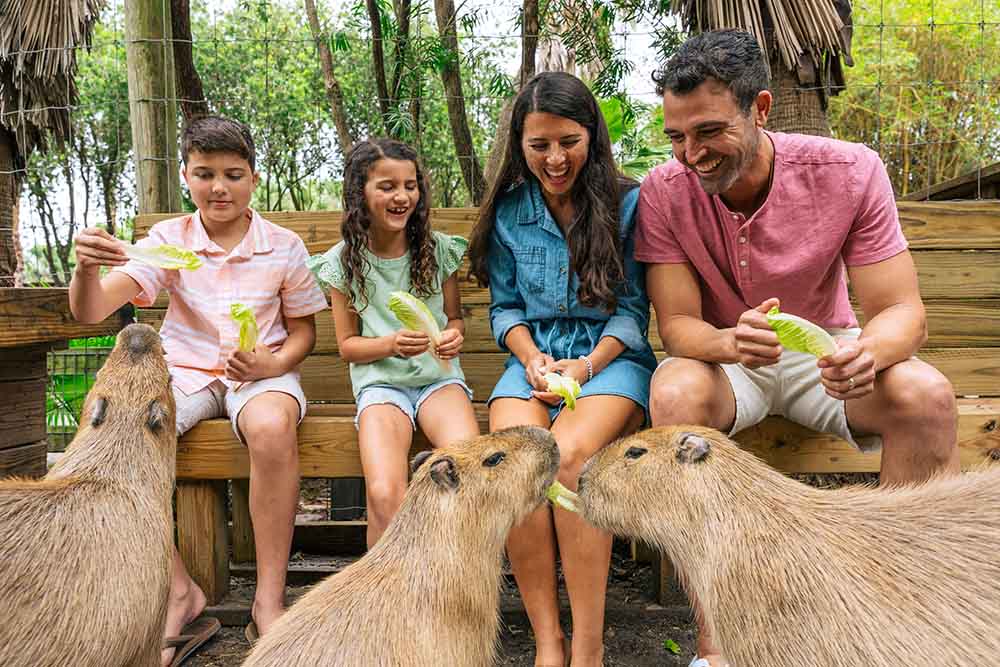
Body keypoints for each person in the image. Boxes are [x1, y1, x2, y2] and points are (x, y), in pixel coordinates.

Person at [635, 30, 960, 667]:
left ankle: (898, 624)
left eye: (708, 132)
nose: (691, 155)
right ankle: (717, 646)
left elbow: (902, 312)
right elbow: (676, 326)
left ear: (760, 109)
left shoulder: (851, 170)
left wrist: (870, 351)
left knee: (926, 396)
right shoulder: (661, 192)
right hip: (729, 360)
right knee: (673, 391)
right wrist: (728, 340)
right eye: (677, 138)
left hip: (827, 350)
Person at [69, 116, 329, 661]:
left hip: (261, 372)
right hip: (183, 372)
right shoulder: (168, 241)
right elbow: (91, 308)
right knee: (118, 433)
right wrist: (87, 269)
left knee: (271, 426)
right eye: (205, 173)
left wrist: (271, 362)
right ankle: (179, 591)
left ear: (253, 179)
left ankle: (268, 599)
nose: (219, 187)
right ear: (186, 176)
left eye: (233, 174)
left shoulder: (282, 246)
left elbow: (304, 330)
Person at [468, 71, 657, 667]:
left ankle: (589, 647)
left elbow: (631, 313)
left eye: (568, 142)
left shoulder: (627, 204)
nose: (555, 158)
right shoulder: (508, 211)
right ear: (520, 145)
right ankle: (548, 641)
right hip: (534, 360)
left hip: (611, 359)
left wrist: (585, 365)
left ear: (591, 136)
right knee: (515, 462)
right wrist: (531, 358)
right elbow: (505, 308)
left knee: (570, 459)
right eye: (539, 144)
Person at [308, 138, 479, 549]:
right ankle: (387, 595)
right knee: (385, 493)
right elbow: (348, 346)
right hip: (381, 387)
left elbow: (454, 319)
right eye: (387, 186)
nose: (402, 196)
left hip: (438, 380)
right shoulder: (344, 262)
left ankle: (450, 579)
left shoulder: (437, 250)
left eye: (410, 185)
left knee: (468, 473)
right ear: (359, 194)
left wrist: (452, 335)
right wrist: (390, 345)